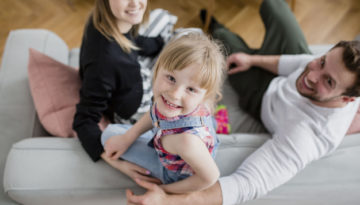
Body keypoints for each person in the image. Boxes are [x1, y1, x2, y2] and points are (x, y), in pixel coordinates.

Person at [125, 0, 360, 204]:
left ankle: (214, 25)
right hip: (278, 81)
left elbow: (246, 184)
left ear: (347, 99)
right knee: (274, 6)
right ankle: (226, 34)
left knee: (224, 40)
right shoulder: (318, 69)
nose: (311, 75)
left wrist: (168, 200)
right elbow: (298, 62)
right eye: (321, 61)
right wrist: (253, 59)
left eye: (328, 81)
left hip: (261, 97)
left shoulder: (307, 136)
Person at [101, 32, 226, 194]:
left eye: (190, 89)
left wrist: (165, 191)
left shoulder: (187, 141)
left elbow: (211, 177)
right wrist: (128, 137)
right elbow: (155, 112)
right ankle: (214, 126)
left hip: (171, 173)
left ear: (204, 98)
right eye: (171, 78)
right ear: (157, 69)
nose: (175, 94)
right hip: (170, 141)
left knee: (108, 134)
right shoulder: (169, 102)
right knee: (120, 136)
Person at [73, 0, 164, 174]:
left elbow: (131, 41)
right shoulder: (104, 62)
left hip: (130, 82)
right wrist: (116, 163)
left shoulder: (104, 19)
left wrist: (159, 44)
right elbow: (84, 120)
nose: (135, 3)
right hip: (134, 108)